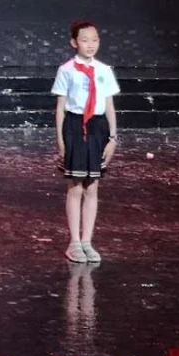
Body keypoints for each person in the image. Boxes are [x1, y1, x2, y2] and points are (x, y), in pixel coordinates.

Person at [52, 20, 120, 264]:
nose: (90, 45)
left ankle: (87, 241)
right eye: (84, 40)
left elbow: (109, 105)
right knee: (76, 186)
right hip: (75, 125)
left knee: (92, 186)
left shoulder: (104, 70)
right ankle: (74, 243)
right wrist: (61, 140)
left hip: (98, 127)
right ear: (74, 43)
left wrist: (113, 137)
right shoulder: (67, 70)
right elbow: (61, 107)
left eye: (94, 40)